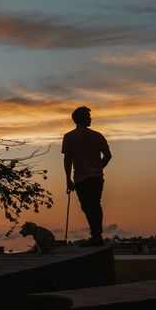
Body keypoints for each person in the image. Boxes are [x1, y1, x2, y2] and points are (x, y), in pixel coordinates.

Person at [62, 106, 112, 247]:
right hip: (95, 177)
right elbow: (108, 156)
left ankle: (96, 236)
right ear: (83, 118)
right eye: (89, 117)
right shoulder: (97, 136)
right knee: (94, 205)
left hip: (80, 178)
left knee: (88, 206)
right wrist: (98, 168)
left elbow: (67, 159)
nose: (91, 119)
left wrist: (67, 179)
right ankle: (97, 235)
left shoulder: (69, 137)